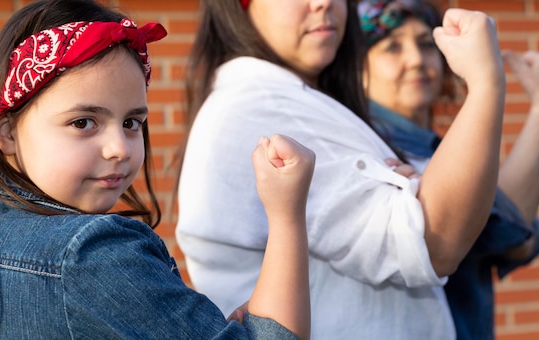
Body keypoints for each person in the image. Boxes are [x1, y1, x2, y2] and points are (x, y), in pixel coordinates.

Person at [0, 0, 315, 338]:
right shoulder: (94, 253)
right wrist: (286, 214)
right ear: (8, 133)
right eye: (83, 122)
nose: (119, 149)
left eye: (131, 123)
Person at [177, 0, 506, 339]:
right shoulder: (267, 108)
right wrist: (485, 81)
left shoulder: (294, 99)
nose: (323, 2)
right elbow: (433, 243)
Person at [358, 0, 539, 338]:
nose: (416, 60)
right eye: (392, 47)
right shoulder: (367, 151)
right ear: (356, 68)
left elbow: (516, 238)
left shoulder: (437, 146)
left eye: (426, 44)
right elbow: (510, 229)